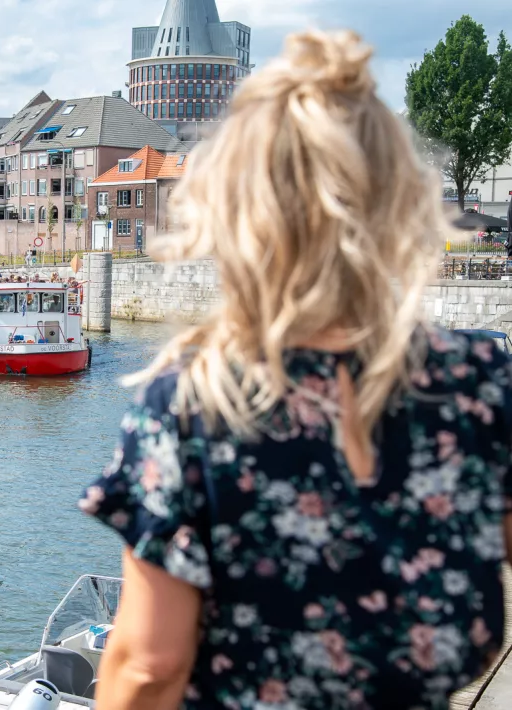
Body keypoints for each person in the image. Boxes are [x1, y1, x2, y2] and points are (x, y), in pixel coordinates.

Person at [79, 30, 512, 710]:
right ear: (396, 198)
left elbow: (149, 667)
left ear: (239, 212)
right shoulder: (480, 388)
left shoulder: (195, 405)